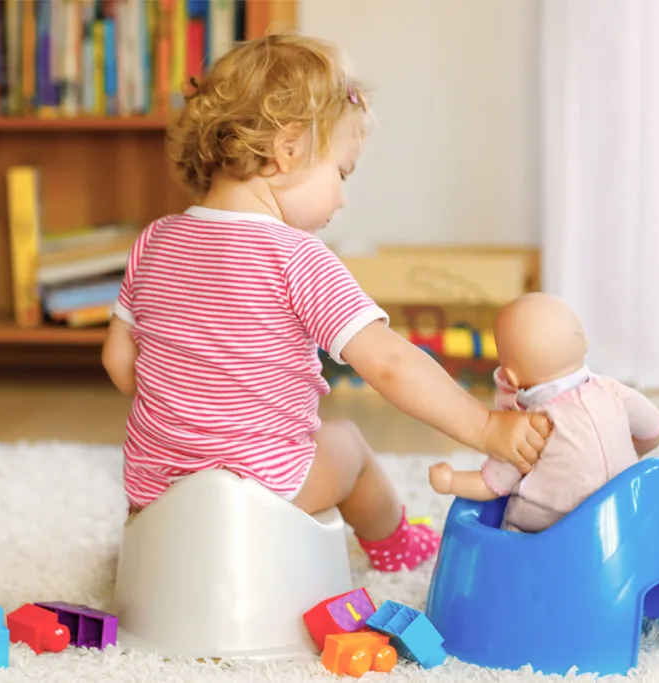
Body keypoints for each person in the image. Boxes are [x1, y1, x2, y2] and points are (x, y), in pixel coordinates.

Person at [101, 33, 551, 572]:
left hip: (155, 496)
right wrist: (483, 427)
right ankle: (394, 545)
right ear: (287, 149)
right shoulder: (297, 257)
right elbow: (388, 363)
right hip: (267, 495)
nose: (341, 196)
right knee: (347, 443)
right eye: (341, 172)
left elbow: (120, 363)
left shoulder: (155, 241)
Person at [429, 293, 659, 532]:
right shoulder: (615, 391)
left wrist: (450, 481)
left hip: (551, 534)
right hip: (620, 518)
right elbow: (655, 430)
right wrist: (625, 455)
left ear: (510, 377)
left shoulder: (531, 426)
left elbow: (491, 485)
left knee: (509, 529)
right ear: (584, 342)